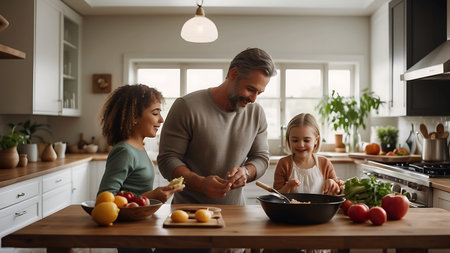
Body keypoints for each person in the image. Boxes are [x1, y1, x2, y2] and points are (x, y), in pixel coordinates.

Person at [157, 48, 277, 205]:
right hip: (188, 214)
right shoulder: (186, 107)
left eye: (259, 93)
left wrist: (246, 172)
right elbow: (168, 160)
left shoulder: (257, 113)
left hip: (236, 213)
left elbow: (261, 157)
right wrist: (200, 183)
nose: (254, 99)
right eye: (250, 89)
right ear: (233, 74)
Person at [97, 84, 182, 203]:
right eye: (155, 113)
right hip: (125, 222)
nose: (161, 119)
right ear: (135, 117)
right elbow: (104, 200)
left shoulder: (139, 148)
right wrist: (150, 196)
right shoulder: (125, 151)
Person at [273, 113, 344, 195]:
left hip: (319, 208)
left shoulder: (325, 164)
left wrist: (334, 184)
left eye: (306, 140)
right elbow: (276, 195)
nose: (300, 145)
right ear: (288, 139)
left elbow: (338, 192)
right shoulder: (284, 164)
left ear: (316, 140)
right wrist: (288, 186)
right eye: (295, 140)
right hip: (291, 208)